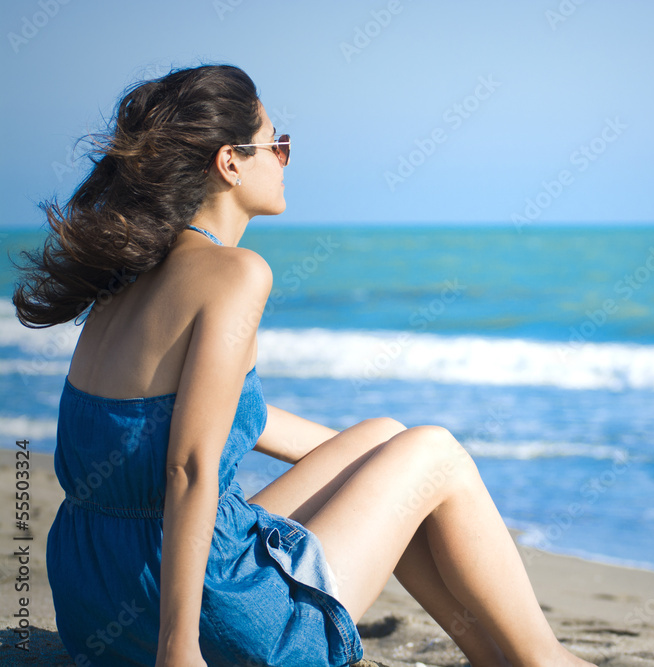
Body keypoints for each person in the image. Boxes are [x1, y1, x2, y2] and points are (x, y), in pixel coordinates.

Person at [12, 64, 595, 667]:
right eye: (277, 143)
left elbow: (201, 422)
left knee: (393, 443)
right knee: (438, 454)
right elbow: (188, 468)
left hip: (97, 599)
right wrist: (177, 647)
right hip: (207, 613)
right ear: (230, 162)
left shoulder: (124, 280)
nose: (287, 158)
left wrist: (376, 466)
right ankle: (544, 659)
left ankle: (494, 659)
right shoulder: (236, 275)